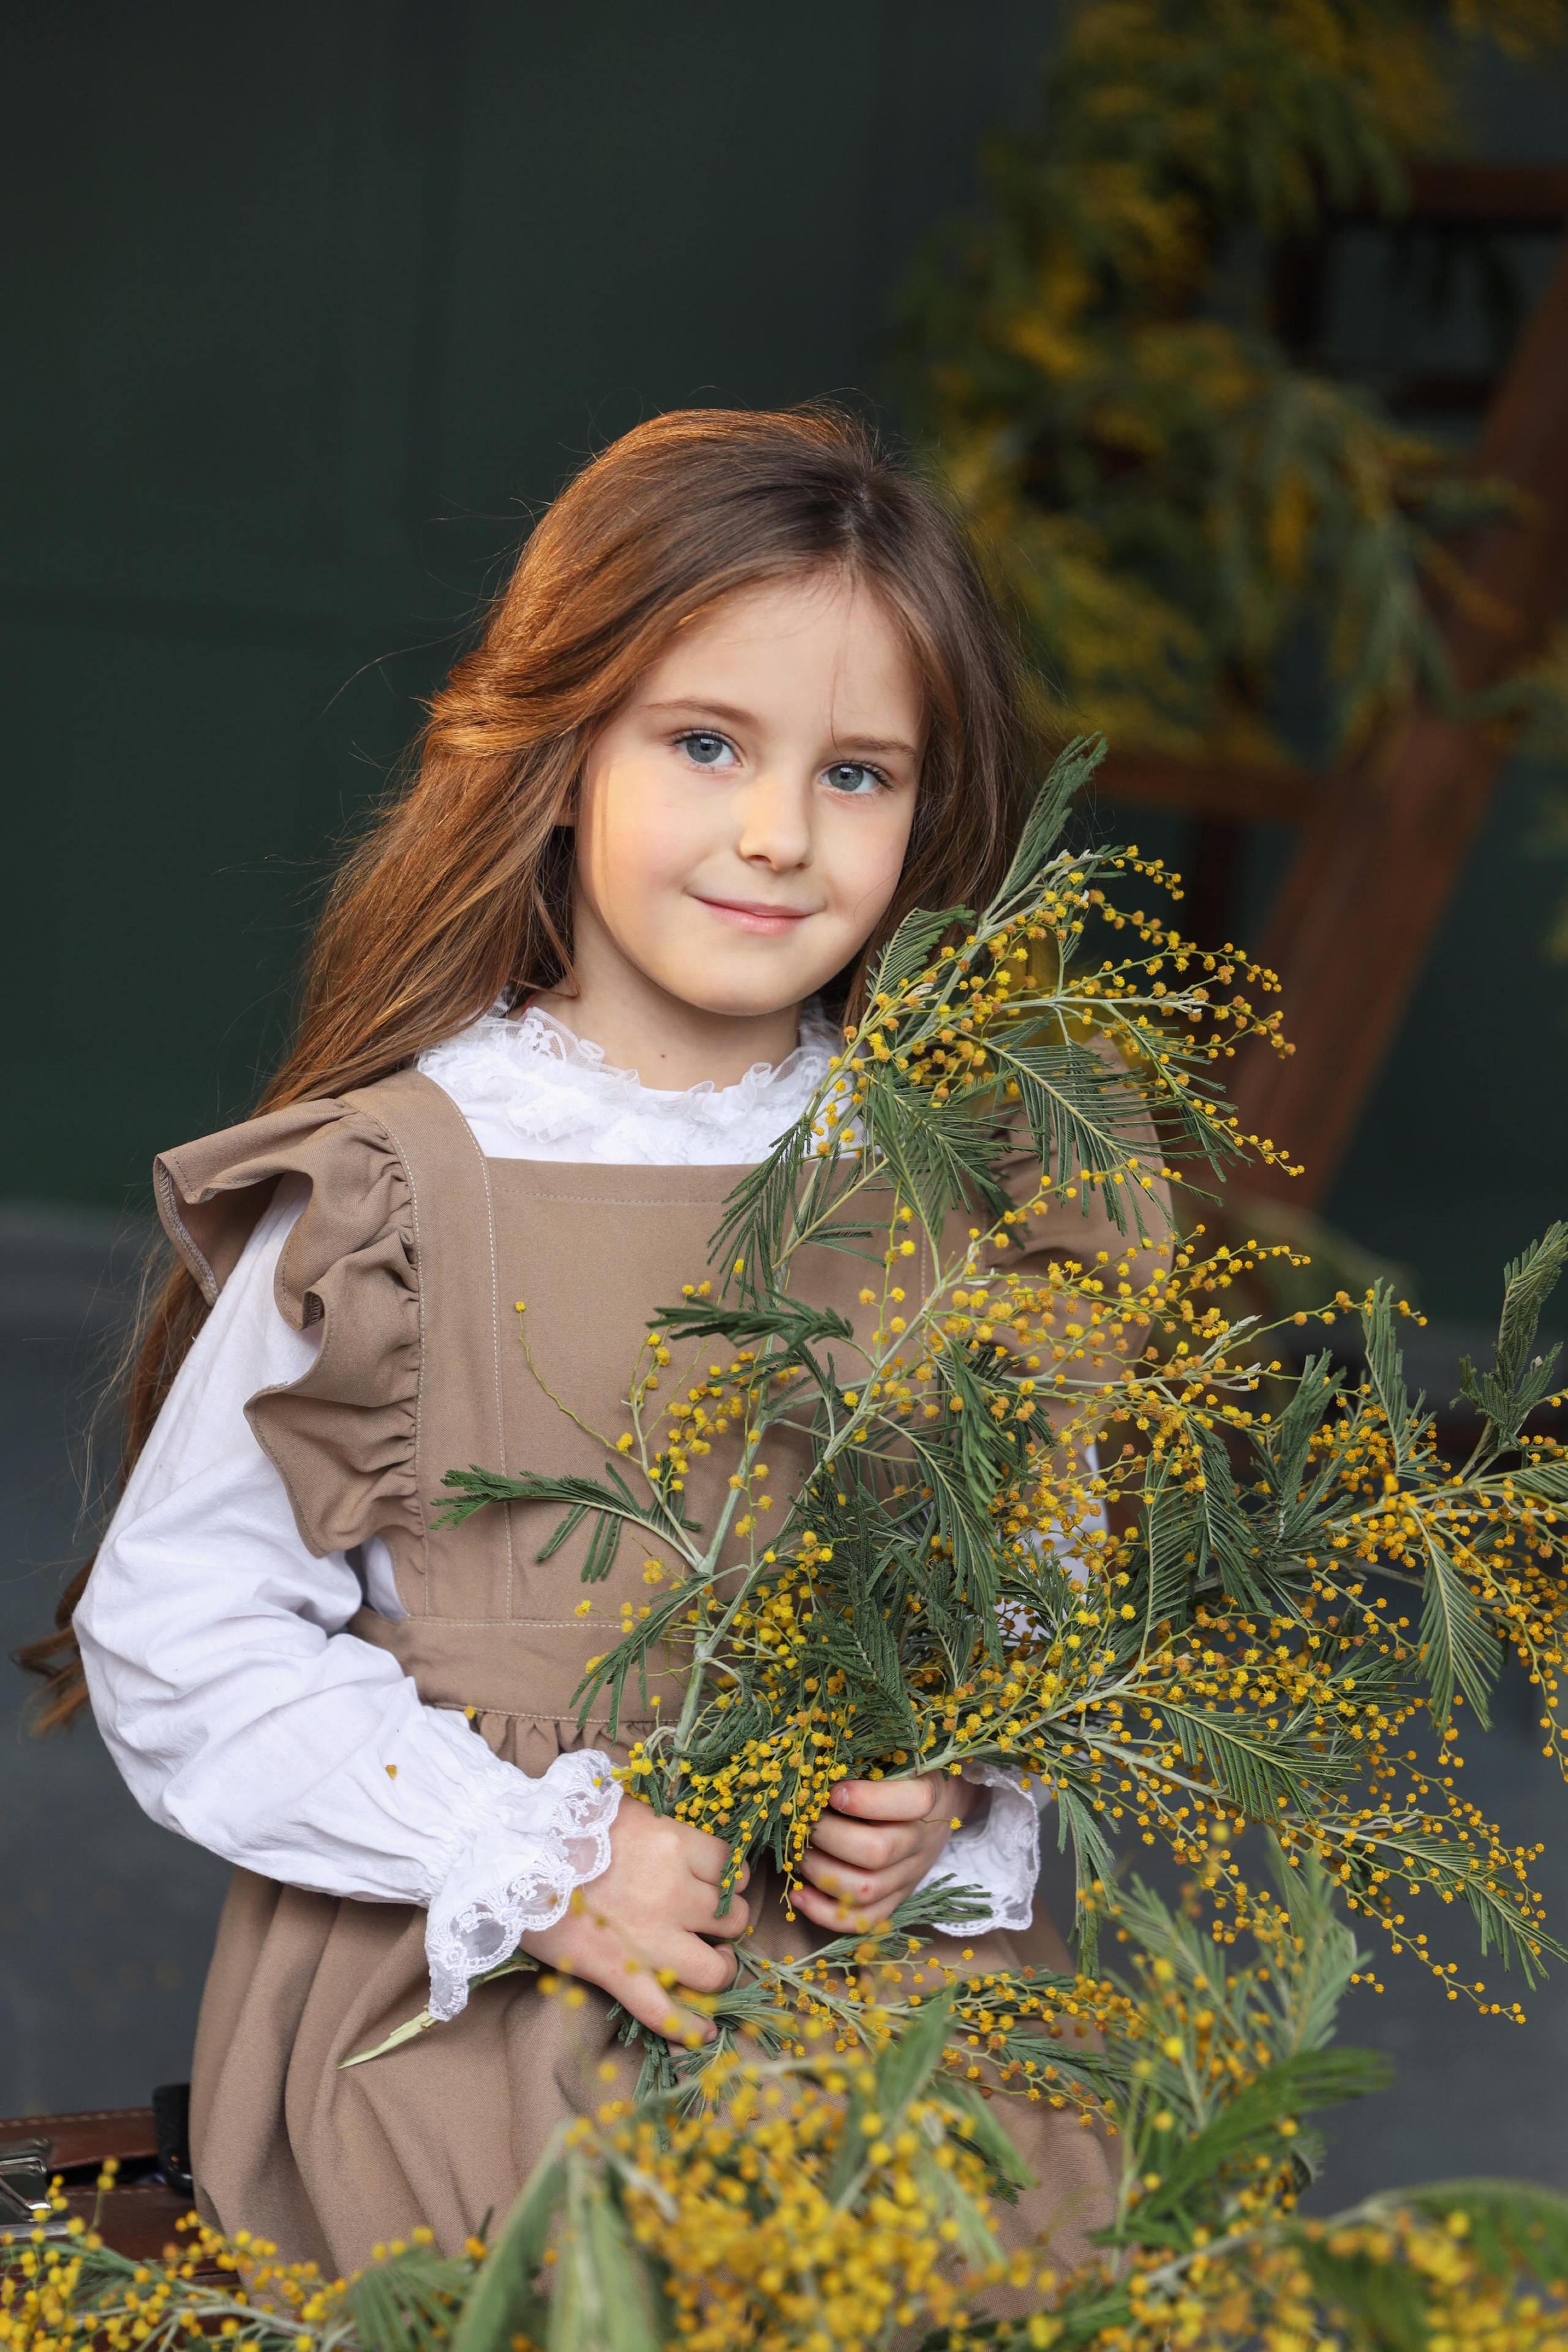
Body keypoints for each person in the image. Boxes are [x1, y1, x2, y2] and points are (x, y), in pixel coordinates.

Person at [30, 408, 1163, 2278]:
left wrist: (956, 1789)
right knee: (584, 2278)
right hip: (486, 2004)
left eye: (858, 773)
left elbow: (1033, 1582)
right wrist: (538, 1857)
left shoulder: (963, 1183)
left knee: (981, 2257)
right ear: (563, 757)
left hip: (874, 2012)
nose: (779, 832)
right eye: (705, 743)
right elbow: (185, 1627)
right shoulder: (400, 1188)